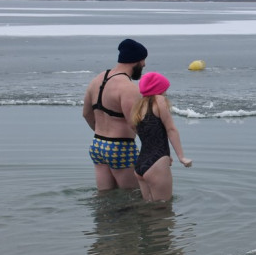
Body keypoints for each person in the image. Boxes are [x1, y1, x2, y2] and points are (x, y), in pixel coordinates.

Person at [82, 38, 148, 191]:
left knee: (104, 196)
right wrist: (152, 149)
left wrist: (103, 133)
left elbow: (86, 113)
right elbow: (134, 123)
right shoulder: (128, 87)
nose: (144, 65)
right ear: (136, 61)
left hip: (98, 144)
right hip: (121, 146)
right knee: (133, 196)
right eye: (143, 60)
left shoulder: (97, 79)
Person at [129, 72, 193, 202]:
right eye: (165, 89)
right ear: (159, 89)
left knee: (148, 208)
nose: (166, 93)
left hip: (141, 164)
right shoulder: (160, 100)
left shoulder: (138, 105)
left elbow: (138, 130)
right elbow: (171, 129)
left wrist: (164, 154)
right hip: (156, 164)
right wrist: (181, 157)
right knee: (163, 211)